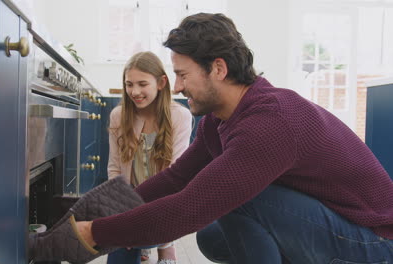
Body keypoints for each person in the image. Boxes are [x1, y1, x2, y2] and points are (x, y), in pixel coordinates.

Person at [36, 13, 392, 263]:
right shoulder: (220, 119)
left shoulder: (269, 123)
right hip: (336, 227)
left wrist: (92, 232)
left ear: (218, 69)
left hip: (374, 244)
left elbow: (186, 207)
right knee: (212, 237)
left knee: (237, 197)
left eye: (182, 74)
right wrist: (100, 211)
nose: (175, 87)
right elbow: (176, 179)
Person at [106, 51, 193, 264]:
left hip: (164, 204)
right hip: (129, 201)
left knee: (139, 238)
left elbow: (176, 175)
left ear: (161, 82)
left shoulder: (180, 116)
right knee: (120, 244)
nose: (134, 91)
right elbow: (115, 168)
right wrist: (122, 213)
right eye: (129, 84)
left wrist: (138, 222)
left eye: (142, 84)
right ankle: (151, 247)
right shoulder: (119, 115)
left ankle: (165, 246)